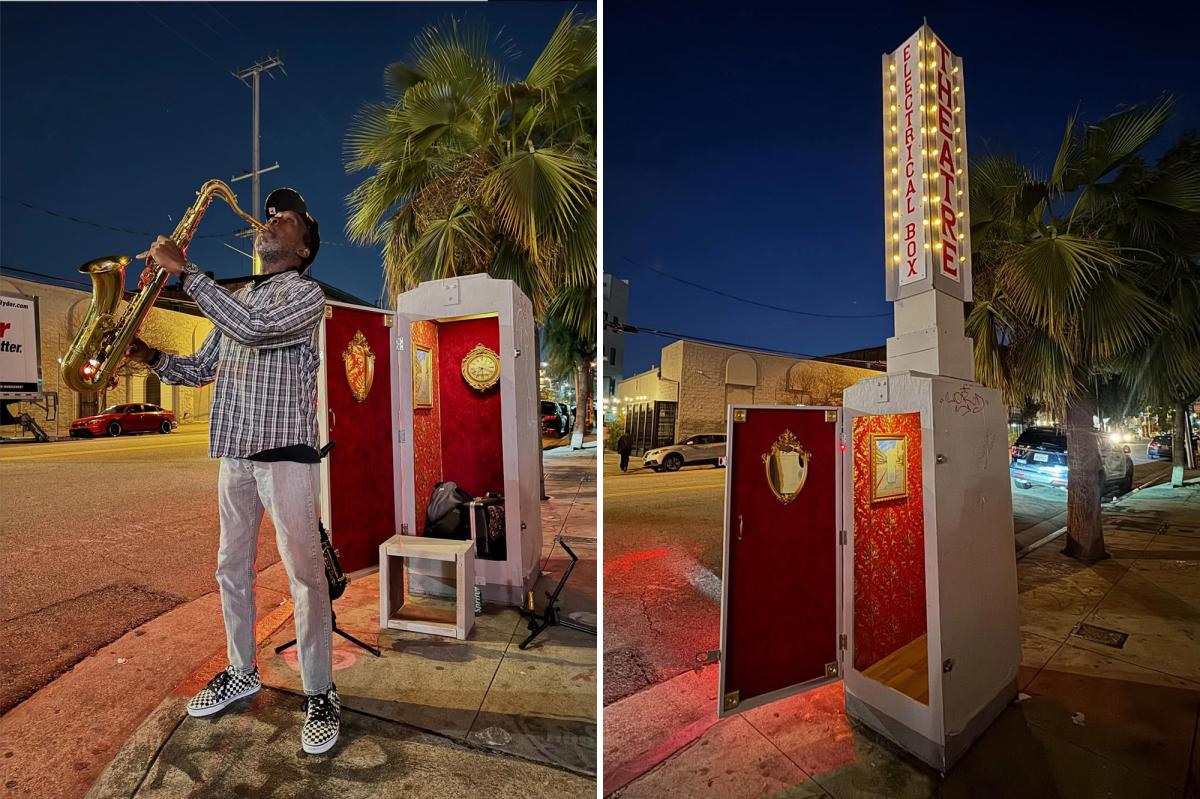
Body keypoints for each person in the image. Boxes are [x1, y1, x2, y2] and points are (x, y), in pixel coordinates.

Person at [125, 188, 340, 755]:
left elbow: (253, 329)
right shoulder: (238, 297)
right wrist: (146, 356)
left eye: (286, 220)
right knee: (229, 569)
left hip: (287, 456)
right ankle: (241, 669)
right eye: (271, 216)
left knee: (305, 577)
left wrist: (186, 272)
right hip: (237, 455)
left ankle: (320, 691)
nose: (271, 222)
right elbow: (199, 369)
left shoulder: (306, 295)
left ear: (303, 250)